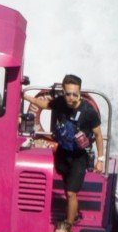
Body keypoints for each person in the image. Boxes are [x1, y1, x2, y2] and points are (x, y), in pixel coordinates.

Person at [32, 74, 105, 219]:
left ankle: (68, 225)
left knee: (71, 193)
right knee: (67, 188)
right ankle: (74, 212)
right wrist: (26, 97)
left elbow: (98, 136)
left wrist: (100, 160)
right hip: (63, 153)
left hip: (79, 156)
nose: (71, 97)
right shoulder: (60, 102)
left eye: (74, 94)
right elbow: (45, 105)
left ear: (79, 93)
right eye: (68, 94)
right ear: (64, 92)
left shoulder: (89, 112)